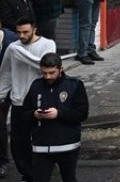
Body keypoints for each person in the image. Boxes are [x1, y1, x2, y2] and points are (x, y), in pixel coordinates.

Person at [0, 19, 56, 181]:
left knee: (41, 139)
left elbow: (44, 64)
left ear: (34, 30)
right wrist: (1, 95)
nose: (21, 36)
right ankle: (27, 174)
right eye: (18, 32)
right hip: (19, 101)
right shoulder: (13, 48)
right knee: (19, 142)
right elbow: (6, 74)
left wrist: (17, 51)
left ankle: (42, 172)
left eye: (25, 32)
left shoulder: (47, 45)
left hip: (41, 100)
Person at [26, 54, 88, 182]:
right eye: (44, 73)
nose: (48, 77)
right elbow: (23, 112)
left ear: (61, 69)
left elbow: (81, 113)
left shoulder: (75, 85)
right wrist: (34, 114)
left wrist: (58, 114)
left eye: (51, 73)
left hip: (67, 146)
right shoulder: (35, 86)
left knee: (69, 178)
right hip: (41, 146)